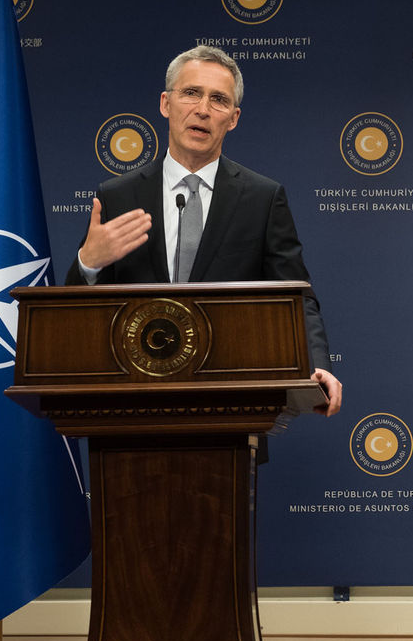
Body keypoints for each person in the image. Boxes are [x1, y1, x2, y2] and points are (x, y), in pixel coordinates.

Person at [67, 45, 342, 416]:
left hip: (231, 406)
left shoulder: (262, 198)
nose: (203, 109)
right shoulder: (118, 196)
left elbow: (296, 295)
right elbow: (72, 311)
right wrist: (88, 264)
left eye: (219, 100)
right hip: (132, 405)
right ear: (166, 103)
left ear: (234, 118)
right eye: (191, 93)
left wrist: (317, 362)